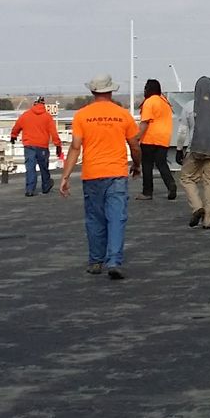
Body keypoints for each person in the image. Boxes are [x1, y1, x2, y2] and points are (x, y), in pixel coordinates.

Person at [58, 74, 141, 279]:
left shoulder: (82, 116)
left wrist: (65, 176)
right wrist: (137, 165)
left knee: (95, 219)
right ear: (111, 91)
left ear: (93, 91)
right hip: (116, 174)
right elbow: (134, 145)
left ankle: (96, 261)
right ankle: (114, 260)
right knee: (116, 218)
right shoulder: (123, 115)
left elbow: (75, 147)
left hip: (92, 174)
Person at [181, 75, 210, 230]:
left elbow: (182, 132)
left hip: (194, 150)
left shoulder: (189, 106)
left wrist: (179, 149)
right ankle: (208, 220)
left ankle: (196, 206)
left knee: (187, 178)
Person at [8, 96, 61, 197]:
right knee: (44, 167)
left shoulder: (26, 115)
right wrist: (58, 145)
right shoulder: (47, 117)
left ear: (34, 104)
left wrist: (13, 136)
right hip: (42, 146)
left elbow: (17, 126)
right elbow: (53, 133)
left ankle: (30, 190)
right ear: (43, 104)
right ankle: (46, 186)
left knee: (30, 168)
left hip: (29, 145)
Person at [135, 78, 177, 201]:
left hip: (150, 138)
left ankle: (147, 192)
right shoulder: (165, 102)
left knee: (147, 165)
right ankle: (170, 184)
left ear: (149, 89)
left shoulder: (149, 102)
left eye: (145, 87)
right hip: (164, 138)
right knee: (162, 163)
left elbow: (145, 122)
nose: (144, 90)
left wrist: (137, 136)